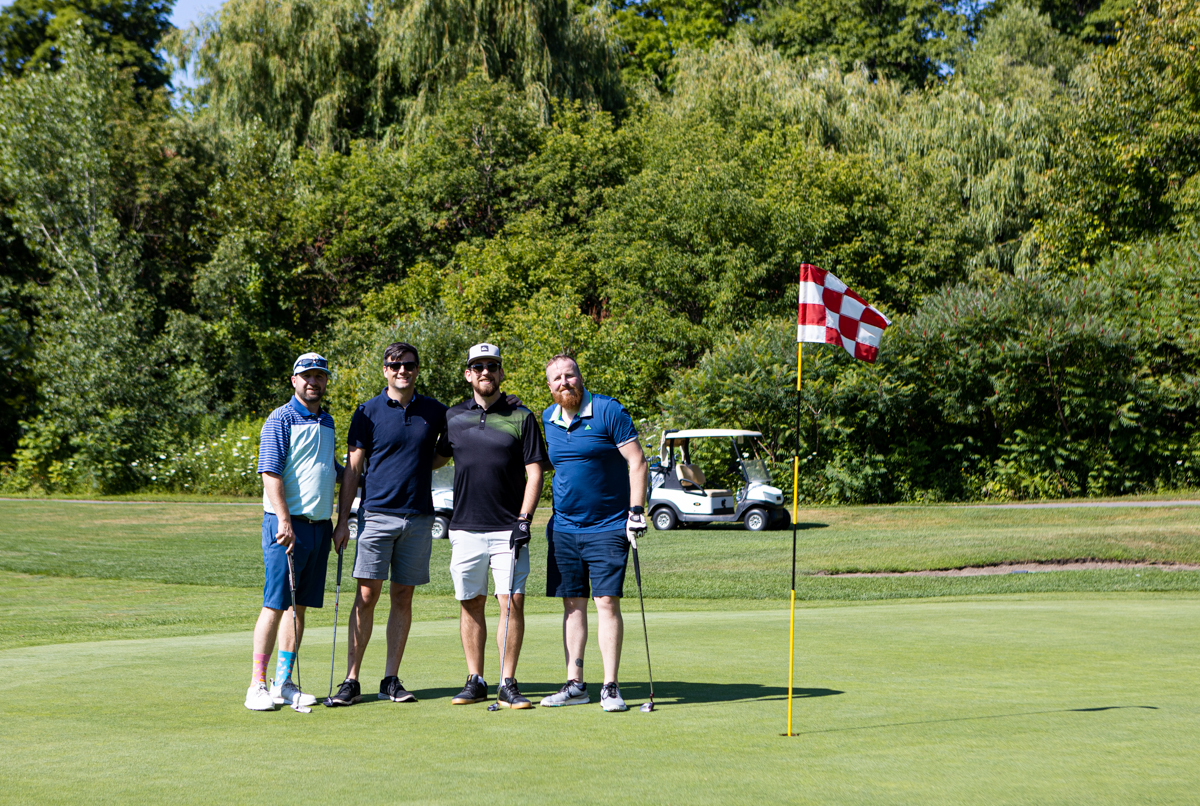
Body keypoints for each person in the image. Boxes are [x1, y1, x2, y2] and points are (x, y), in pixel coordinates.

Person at [327, 342, 449, 707]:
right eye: (395, 365)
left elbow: (444, 452)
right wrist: (342, 520)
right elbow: (352, 469)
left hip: (419, 516)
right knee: (366, 596)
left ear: (416, 369)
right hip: (376, 515)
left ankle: (390, 679)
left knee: (403, 596)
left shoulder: (435, 411)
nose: (402, 371)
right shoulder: (367, 411)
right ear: (385, 370)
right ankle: (351, 680)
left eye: (408, 365)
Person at [434, 343, 548, 709]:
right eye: (478, 366)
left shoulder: (522, 416)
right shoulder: (453, 417)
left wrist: (524, 519)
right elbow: (434, 459)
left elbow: (535, 473)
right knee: (471, 603)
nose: (485, 372)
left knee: (511, 601)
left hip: (508, 528)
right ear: (468, 374)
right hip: (465, 527)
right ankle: (476, 679)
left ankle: (507, 682)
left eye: (492, 366)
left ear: (500, 373)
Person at [539, 354, 648, 712]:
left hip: (609, 525)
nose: (564, 382)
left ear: (580, 377)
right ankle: (575, 685)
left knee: (606, 602)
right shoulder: (548, 419)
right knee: (572, 605)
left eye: (570, 375)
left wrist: (636, 512)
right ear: (550, 386)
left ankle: (610, 686)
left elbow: (637, 461)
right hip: (564, 528)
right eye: (557, 378)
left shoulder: (607, 411)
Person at [246, 352, 347, 711]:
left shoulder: (327, 421)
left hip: (319, 527)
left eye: (319, 376)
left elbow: (327, 467)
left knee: (297, 608)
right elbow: (270, 472)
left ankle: (283, 683)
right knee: (275, 605)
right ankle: (257, 685)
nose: (313, 382)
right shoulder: (281, 418)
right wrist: (284, 520)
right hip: (285, 527)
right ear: (294, 380)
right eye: (307, 376)